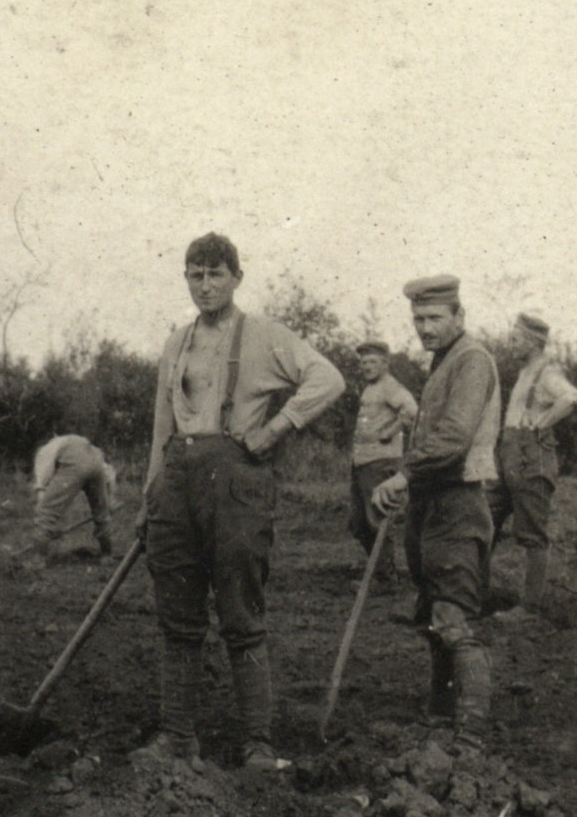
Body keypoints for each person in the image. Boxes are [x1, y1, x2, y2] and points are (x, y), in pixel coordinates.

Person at [136, 233, 345, 771]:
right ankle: (177, 740)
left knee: (240, 612)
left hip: (235, 487)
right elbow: (162, 425)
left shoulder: (265, 335)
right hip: (176, 486)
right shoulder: (176, 343)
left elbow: (328, 379)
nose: (205, 286)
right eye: (196, 275)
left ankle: (257, 743)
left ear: (237, 278)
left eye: (216, 274)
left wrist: (277, 427)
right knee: (178, 616)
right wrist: (150, 496)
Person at [372, 276, 500, 750]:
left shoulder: (471, 360)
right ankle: (441, 716)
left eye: (434, 318)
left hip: (458, 504)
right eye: (418, 319)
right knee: (432, 613)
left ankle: (470, 737)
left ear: (459, 316)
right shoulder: (444, 362)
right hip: (431, 505)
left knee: (452, 617)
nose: (425, 327)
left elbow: (453, 439)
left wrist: (404, 475)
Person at [486, 312, 577, 622]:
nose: (511, 344)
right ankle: (472, 591)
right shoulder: (525, 372)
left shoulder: (546, 373)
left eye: (515, 339)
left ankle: (529, 607)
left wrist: (542, 423)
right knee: (484, 520)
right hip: (508, 459)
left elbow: (570, 397)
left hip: (531, 462)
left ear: (532, 341)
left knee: (532, 534)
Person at [349, 340, 417, 587]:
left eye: (372, 361)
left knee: (376, 519)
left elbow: (411, 410)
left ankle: (384, 578)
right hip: (363, 461)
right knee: (358, 523)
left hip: (380, 460)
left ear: (385, 364)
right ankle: (380, 570)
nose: (367, 367)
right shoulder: (371, 387)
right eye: (363, 362)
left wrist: (391, 431)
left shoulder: (390, 386)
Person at [32, 435, 116, 560]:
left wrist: (48, 521)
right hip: (96, 464)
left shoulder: (45, 450)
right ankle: (107, 555)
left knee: (45, 513)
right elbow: (109, 475)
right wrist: (110, 500)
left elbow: (42, 485)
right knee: (102, 515)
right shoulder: (82, 445)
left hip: (76, 464)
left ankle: (37, 560)